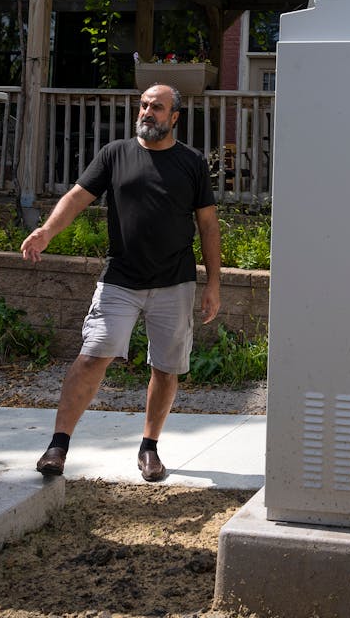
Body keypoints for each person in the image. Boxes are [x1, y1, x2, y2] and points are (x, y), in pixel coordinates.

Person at [21, 83, 221, 482]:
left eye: (157, 108)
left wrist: (214, 283)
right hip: (121, 279)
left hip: (174, 282)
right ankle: (58, 445)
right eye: (144, 105)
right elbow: (77, 197)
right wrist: (46, 231)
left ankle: (150, 448)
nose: (147, 112)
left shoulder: (192, 163)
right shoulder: (115, 154)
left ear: (174, 117)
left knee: (165, 369)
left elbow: (208, 224)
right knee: (94, 354)